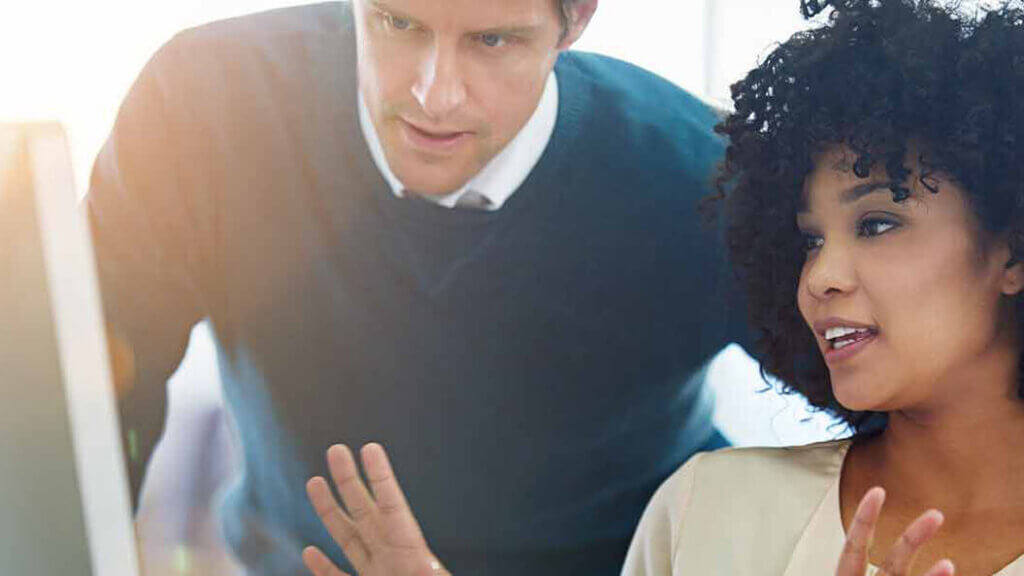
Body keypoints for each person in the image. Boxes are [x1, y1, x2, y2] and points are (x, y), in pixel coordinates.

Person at [299, 0, 1024, 575]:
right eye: (808, 240)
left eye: (876, 224)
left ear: (1011, 248)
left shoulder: (662, 153)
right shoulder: (710, 509)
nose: (821, 276)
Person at [86, 0, 749, 574]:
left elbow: (855, 420)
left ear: (573, 21)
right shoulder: (202, 104)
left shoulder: (700, 175)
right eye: (398, 22)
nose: (435, 96)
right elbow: (91, 396)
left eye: (492, 41)